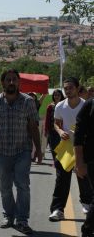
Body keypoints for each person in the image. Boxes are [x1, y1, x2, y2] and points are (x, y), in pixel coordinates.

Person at [0, 69, 42, 235]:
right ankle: (8, 215)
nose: (11, 82)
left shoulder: (28, 102)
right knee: (5, 187)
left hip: (23, 150)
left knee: (23, 185)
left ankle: (22, 220)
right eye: (8, 80)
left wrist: (39, 150)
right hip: (2, 151)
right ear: (3, 83)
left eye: (14, 79)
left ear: (19, 82)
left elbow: (33, 127)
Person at [48, 77, 92, 222]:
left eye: (71, 88)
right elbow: (56, 124)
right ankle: (57, 209)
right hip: (66, 147)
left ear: (78, 88)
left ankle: (86, 204)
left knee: (83, 177)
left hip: (83, 147)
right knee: (62, 179)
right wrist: (60, 132)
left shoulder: (86, 105)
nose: (68, 91)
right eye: (65, 88)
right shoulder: (60, 106)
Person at [73, 97, 94, 237]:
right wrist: (79, 163)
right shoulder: (90, 104)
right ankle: (87, 230)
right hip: (92, 159)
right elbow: (78, 136)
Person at [44, 89, 64, 162]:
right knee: (53, 148)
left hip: (63, 131)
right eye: (55, 95)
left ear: (61, 96)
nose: (56, 96)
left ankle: (60, 163)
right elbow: (47, 120)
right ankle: (56, 162)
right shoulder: (50, 106)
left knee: (62, 148)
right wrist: (46, 131)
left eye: (58, 95)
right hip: (52, 132)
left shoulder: (65, 105)